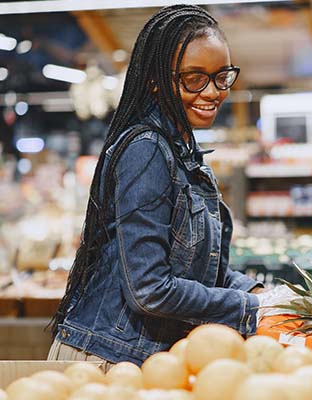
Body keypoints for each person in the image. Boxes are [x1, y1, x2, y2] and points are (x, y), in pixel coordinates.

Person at [47, 4, 286, 367]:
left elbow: (200, 271)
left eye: (222, 76)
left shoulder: (182, 151)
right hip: (102, 361)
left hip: (139, 361)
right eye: (194, 78)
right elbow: (150, 290)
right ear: (157, 79)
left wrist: (262, 293)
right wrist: (251, 307)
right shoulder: (146, 150)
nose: (213, 92)